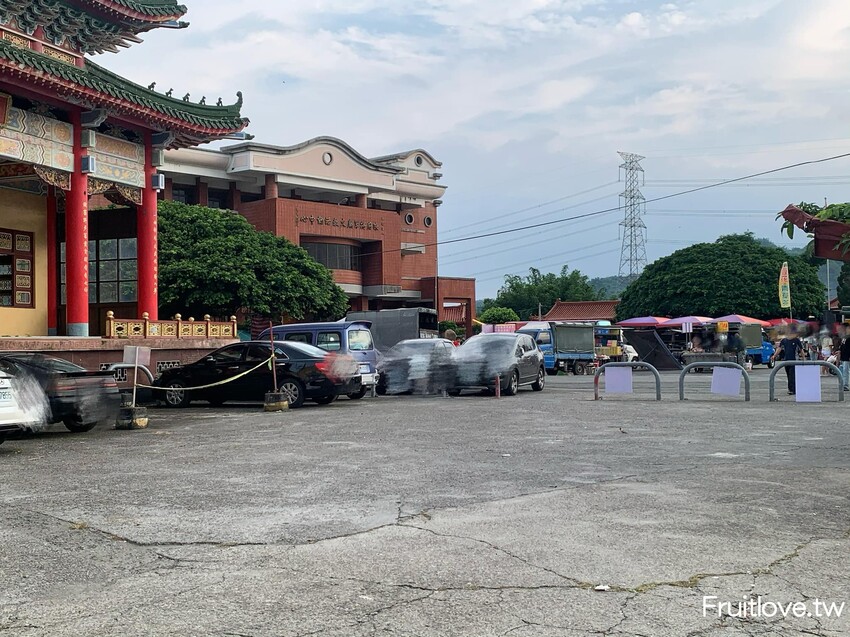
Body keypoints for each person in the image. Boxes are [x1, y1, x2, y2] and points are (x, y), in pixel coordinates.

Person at [778, 330, 803, 395]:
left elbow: (801, 349)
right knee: (788, 375)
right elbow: (779, 348)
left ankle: (792, 390)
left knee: (792, 375)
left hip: (794, 360)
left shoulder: (796, 340)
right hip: (786, 360)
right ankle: (790, 388)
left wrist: (804, 359)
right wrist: (774, 355)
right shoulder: (784, 340)